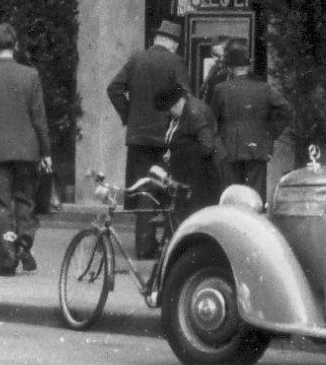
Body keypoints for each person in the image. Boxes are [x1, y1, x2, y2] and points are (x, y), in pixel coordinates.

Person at [0, 22, 51, 275]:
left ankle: (7, 260)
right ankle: (24, 243)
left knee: (0, 205)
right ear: (16, 46)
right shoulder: (31, 75)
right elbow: (39, 118)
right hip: (27, 148)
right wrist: (46, 152)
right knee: (25, 199)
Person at [108, 19, 189, 257]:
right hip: (166, 137)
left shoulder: (136, 59)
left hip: (138, 137)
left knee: (144, 189)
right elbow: (185, 98)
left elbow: (114, 88)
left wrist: (128, 116)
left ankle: (144, 247)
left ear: (156, 39)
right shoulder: (176, 62)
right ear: (174, 44)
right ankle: (164, 245)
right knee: (167, 189)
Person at [207, 40, 289, 196]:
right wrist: (270, 133)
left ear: (230, 67)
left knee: (232, 197)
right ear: (248, 66)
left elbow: (212, 121)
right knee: (254, 197)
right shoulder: (263, 88)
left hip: (228, 150)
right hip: (257, 148)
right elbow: (285, 108)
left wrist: (218, 147)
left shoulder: (220, 89)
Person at [156, 84, 223, 229]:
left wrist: (178, 153)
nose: (167, 113)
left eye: (168, 109)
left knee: (194, 220)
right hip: (189, 176)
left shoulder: (194, 114)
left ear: (179, 102)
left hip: (201, 179)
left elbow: (206, 147)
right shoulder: (180, 115)